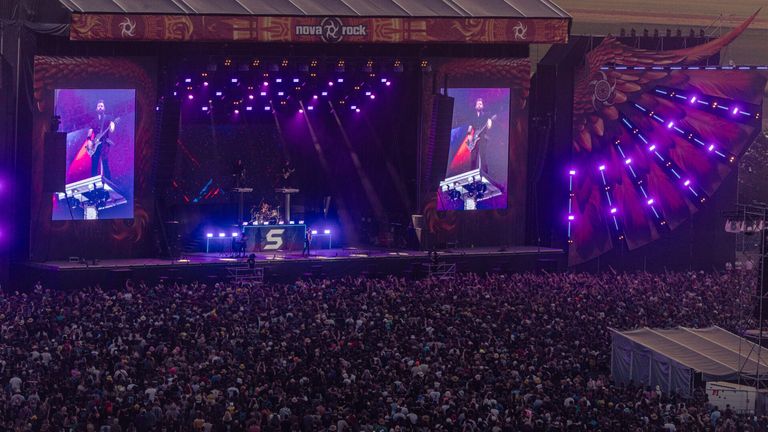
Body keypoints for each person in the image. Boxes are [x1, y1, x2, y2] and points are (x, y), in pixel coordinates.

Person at [86, 99, 116, 179]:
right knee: (94, 162)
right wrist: (89, 140)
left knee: (104, 160)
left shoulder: (109, 117)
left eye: (101, 106)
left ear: (104, 108)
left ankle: (108, 180)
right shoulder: (93, 121)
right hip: (95, 143)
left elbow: (112, 128)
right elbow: (90, 130)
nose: (100, 107)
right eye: (99, 106)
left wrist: (112, 126)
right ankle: (93, 181)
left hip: (104, 142)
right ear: (96, 108)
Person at [466, 97, 493, 170]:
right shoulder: (472, 117)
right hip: (474, 139)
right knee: (473, 158)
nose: (479, 105)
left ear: (483, 106)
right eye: (478, 104)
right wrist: (469, 135)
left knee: (482, 157)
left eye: (480, 104)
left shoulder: (486, 115)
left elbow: (489, 127)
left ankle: (485, 174)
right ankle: (472, 176)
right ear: (475, 106)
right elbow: (469, 128)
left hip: (483, 138)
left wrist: (490, 122)